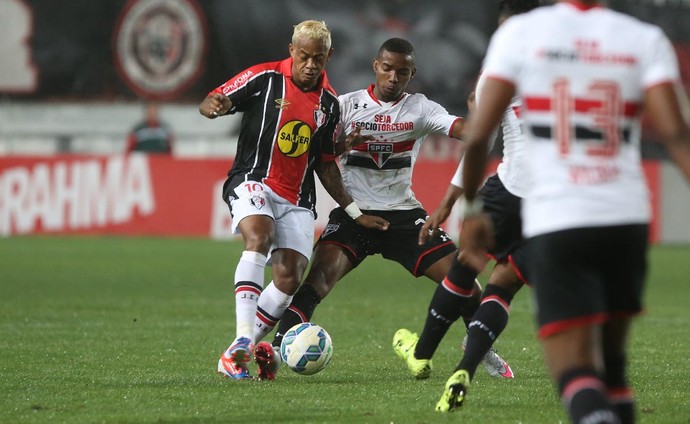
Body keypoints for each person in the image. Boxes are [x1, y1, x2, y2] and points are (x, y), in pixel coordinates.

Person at [452, 1, 690, 423]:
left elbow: (476, 138)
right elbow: (676, 136)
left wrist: (472, 211)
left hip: (558, 218)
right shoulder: (643, 39)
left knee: (576, 370)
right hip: (626, 217)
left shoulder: (520, 34)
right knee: (613, 368)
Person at [261, 37, 512, 381]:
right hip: (354, 215)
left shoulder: (421, 108)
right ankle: (275, 351)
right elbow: (318, 156)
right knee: (316, 282)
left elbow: (467, 132)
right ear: (376, 66)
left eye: (403, 71)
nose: (394, 77)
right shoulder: (344, 106)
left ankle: (480, 348)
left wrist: (484, 116)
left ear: (412, 74)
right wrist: (338, 146)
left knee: (466, 282)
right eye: (388, 68)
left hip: (404, 216)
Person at [199, 20, 389, 381]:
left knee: (289, 279)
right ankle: (242, 338)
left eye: (319, 58)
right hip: (253, 180)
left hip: (298, 198)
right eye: (304, 56)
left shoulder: (329, 104)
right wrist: (214, 107)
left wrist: (353, 211)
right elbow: (215, 99)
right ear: (292, 51)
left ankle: (234, 356)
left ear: (329, 56)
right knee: (259, 235)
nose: (311, 65)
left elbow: (326, 163)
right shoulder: (263, 78)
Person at [391, 0, 540, 411]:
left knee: (466, 263)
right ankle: (468, 367)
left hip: (510, 189)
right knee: (504, 286)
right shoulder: (570, 68)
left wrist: (450, 203)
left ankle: (421, 353)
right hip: (555, 200)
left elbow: (480, 141)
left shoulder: (502, 68)